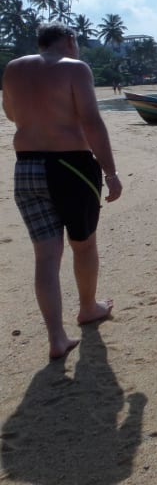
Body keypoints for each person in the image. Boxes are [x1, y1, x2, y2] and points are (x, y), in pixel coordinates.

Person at [2, 22, 123, 359]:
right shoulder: (75, 68)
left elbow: (10, 114)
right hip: (71, 167)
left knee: (45, 256)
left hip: (27, 167)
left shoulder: (13, 69)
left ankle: (56, 338)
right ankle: (88, 307)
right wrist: (111, 172)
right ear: (70, 39)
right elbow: (91, 121)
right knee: (83, 245)